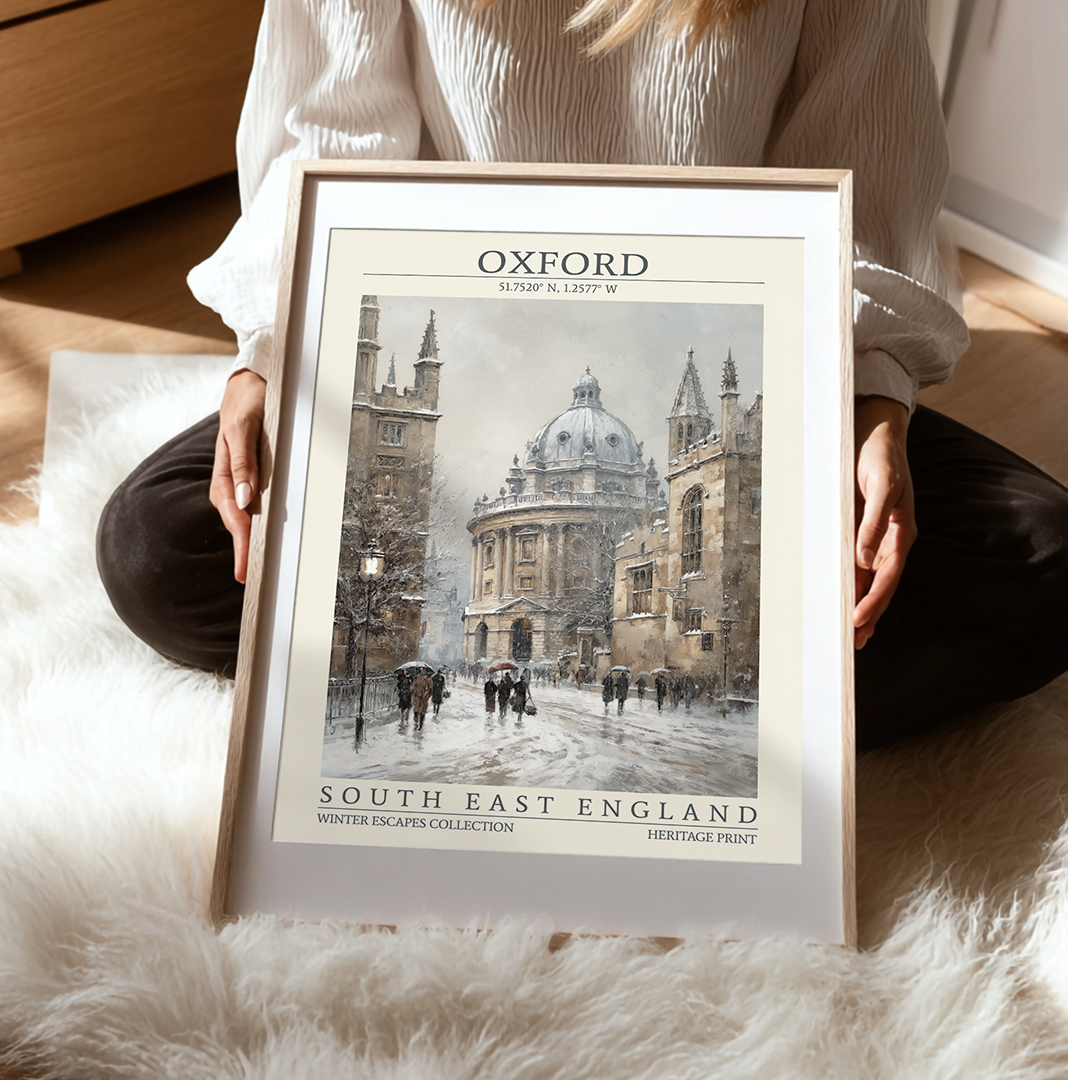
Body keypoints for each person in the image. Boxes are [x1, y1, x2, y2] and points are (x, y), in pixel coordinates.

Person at [95, 0, 1068, 751]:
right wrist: (271, 353)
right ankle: (791, 690)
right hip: (474, 302)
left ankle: (749, 706)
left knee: (1046, 559)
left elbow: (865, 166)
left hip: (776, 342)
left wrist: (867, 401)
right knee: (159, 544)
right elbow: (325, 137)